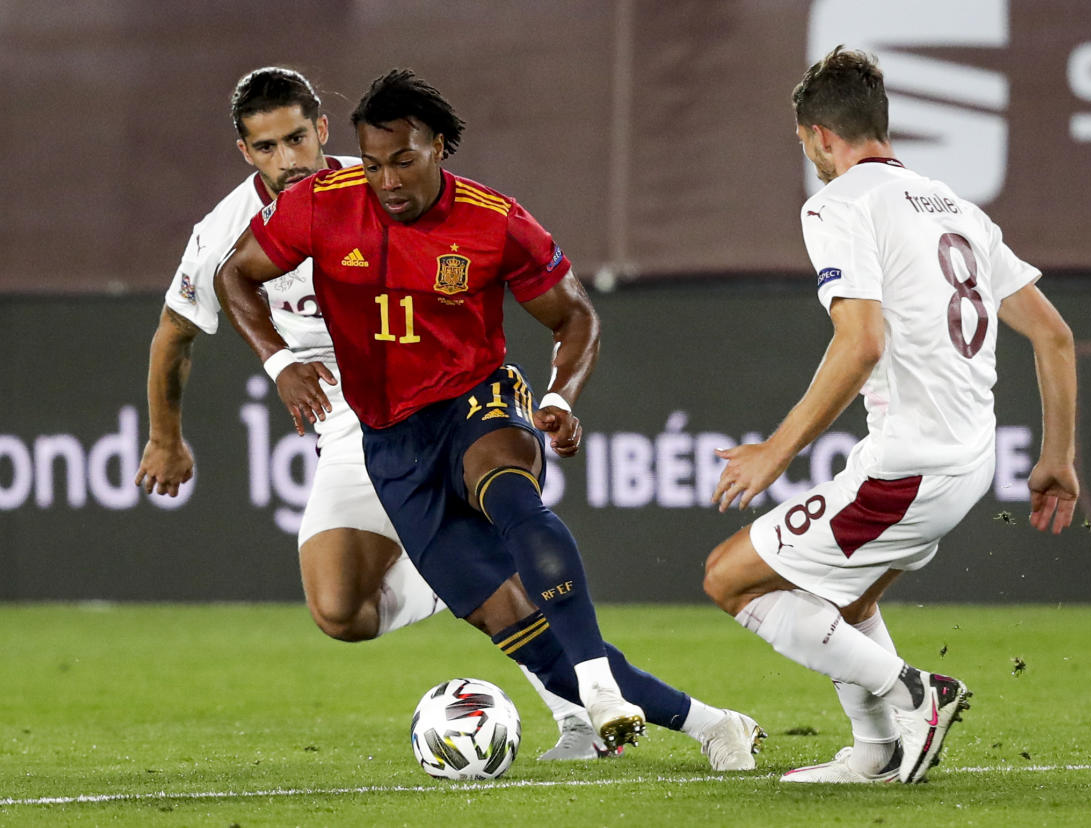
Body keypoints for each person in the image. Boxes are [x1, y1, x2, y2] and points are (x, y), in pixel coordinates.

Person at [214, 68, 764, 768]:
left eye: (404, 162)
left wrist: (559, 397)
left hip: (477, 400)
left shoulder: (494, 220)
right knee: (524, 633)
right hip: (389, 442)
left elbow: (574, 316)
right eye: (375, 164)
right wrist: (277, 363)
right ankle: (716, 725)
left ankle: (596, 691)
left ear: (440, 147)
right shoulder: (322, 204)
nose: (386, 182)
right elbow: (235, 276)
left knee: (508, 491)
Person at [134, 66, 607, 760]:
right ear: (244, 153)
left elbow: (488, 255)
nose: (287, 159)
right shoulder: (224, 233)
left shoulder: (384, 182)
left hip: (429, 404)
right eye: (265, 148)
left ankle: (582, 714)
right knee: (341, 613)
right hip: (341, 426)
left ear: (323, 129)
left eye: (297, 138)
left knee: (491, 559)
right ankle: (450, 577)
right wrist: (166, 438)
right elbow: (173, 337)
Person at [702, 46, 1078, 784]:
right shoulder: (958, 208)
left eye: (804, 141)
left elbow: (861, 342)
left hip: (911, 465)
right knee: (843, 600)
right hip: (969, 460)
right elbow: (1056, 336)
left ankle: (914, 693)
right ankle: (875, 751)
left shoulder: (838, 203)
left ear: (818, 136)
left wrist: (776, 450)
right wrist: (1057, 460)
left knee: (729, 578)